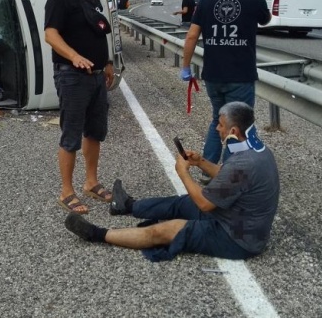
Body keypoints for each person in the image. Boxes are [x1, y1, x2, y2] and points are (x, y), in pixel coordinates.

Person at [64, 101, 280, 262]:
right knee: (181, 203)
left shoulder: (244, 163)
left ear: (233, 131)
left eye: (221, 125)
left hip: (238, 239)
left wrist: (182, 172)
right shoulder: (256, 150)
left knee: (166, 231)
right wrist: (200, 162)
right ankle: (127, 206)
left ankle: (97, 234)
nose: (217, 129)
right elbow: (229, 176)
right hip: (236, 219)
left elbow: (205, 204)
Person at [179, 0, 271, 168]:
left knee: (217, 120)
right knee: (239, 126)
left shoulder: (207, 1)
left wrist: (186, 67)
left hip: (213, 75)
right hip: (240, 75)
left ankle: (208, 166)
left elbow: (191, 36)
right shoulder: (254, 1)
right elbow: (265, 20)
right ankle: (230, 174)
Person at [44, 0, 115, 215]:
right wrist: (73, 56)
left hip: (96, 76)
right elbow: (50, 34)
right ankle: (66, 192)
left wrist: (106, 62)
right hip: (72, 76)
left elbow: (98, 32)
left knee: (95, 131)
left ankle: (91, 182)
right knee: (71, 133)